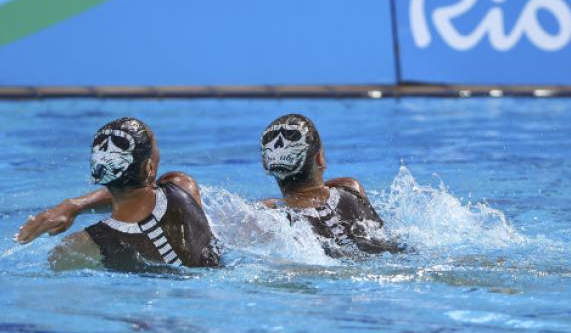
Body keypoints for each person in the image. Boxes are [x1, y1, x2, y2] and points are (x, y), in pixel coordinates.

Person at [15, 117, 220, 271]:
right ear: (149, 168)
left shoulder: (81, 247)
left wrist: (73, 205)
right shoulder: (183, 186)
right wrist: (74, 206)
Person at [260, 114, 402, 257]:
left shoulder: (272, 214)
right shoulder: (351, 188)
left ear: (267, 165)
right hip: (393, 256)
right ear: (320, 159)